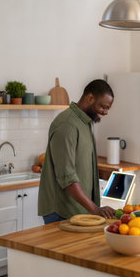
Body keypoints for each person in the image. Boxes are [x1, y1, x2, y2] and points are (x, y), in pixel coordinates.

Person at [38, 79, 116, 224]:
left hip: (78, 210)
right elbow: (67, 177)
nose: (105, 112)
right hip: (62, 211)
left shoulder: (85, 123)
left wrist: (93, 209)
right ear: (90, 98)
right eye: (103, 107)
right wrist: (95, 208)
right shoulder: (67, 124)